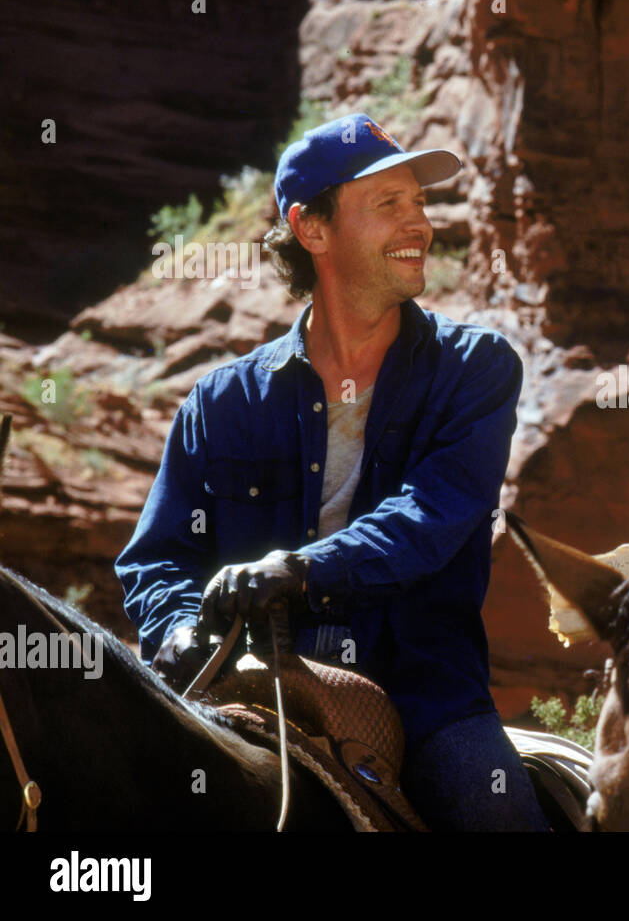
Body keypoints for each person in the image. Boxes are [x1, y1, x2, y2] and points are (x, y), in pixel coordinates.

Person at [117, 113, 549, 831]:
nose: (420, 224)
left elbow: (431, 517)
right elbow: (157, 560)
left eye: (421, 202)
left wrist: (300, 570)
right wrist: (179, 630)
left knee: (492, 808)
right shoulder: (221, 402)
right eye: (390, 205)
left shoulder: (476, 370)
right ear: (311, 229)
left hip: (424, 704)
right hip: (245, 692)